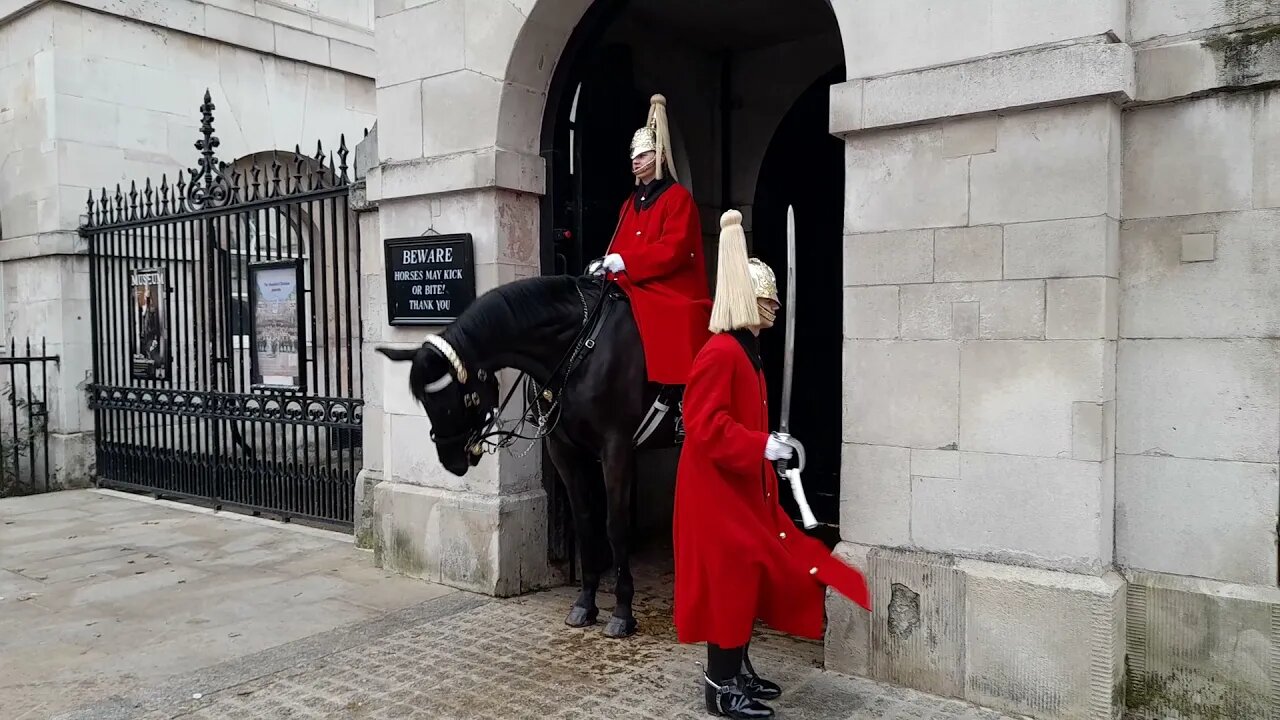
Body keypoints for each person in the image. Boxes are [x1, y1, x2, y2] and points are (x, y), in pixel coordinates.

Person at [672, 210, 872, 718]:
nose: (775, 306)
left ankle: (738, 669)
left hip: (743, 491)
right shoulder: (720, 352)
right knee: (730, 583)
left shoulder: (747, 354)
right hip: (718, 496)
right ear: (748, 300)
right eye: (767, 298)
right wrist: (759, 446)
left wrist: (771, 445)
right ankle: (720, 686)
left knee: (754, 580)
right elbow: (705, 425)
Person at [597, 93, 711, 386]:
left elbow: (674, 250)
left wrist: (626, 262)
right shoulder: (628, 203)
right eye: (633, 156)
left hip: (669, 284)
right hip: (631, 279)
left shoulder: (678, 198)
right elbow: (618, 245)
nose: (636, 161)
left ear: (659, 155)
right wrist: (606, 264)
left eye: (643, 155)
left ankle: (676, 393)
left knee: (679, 314)